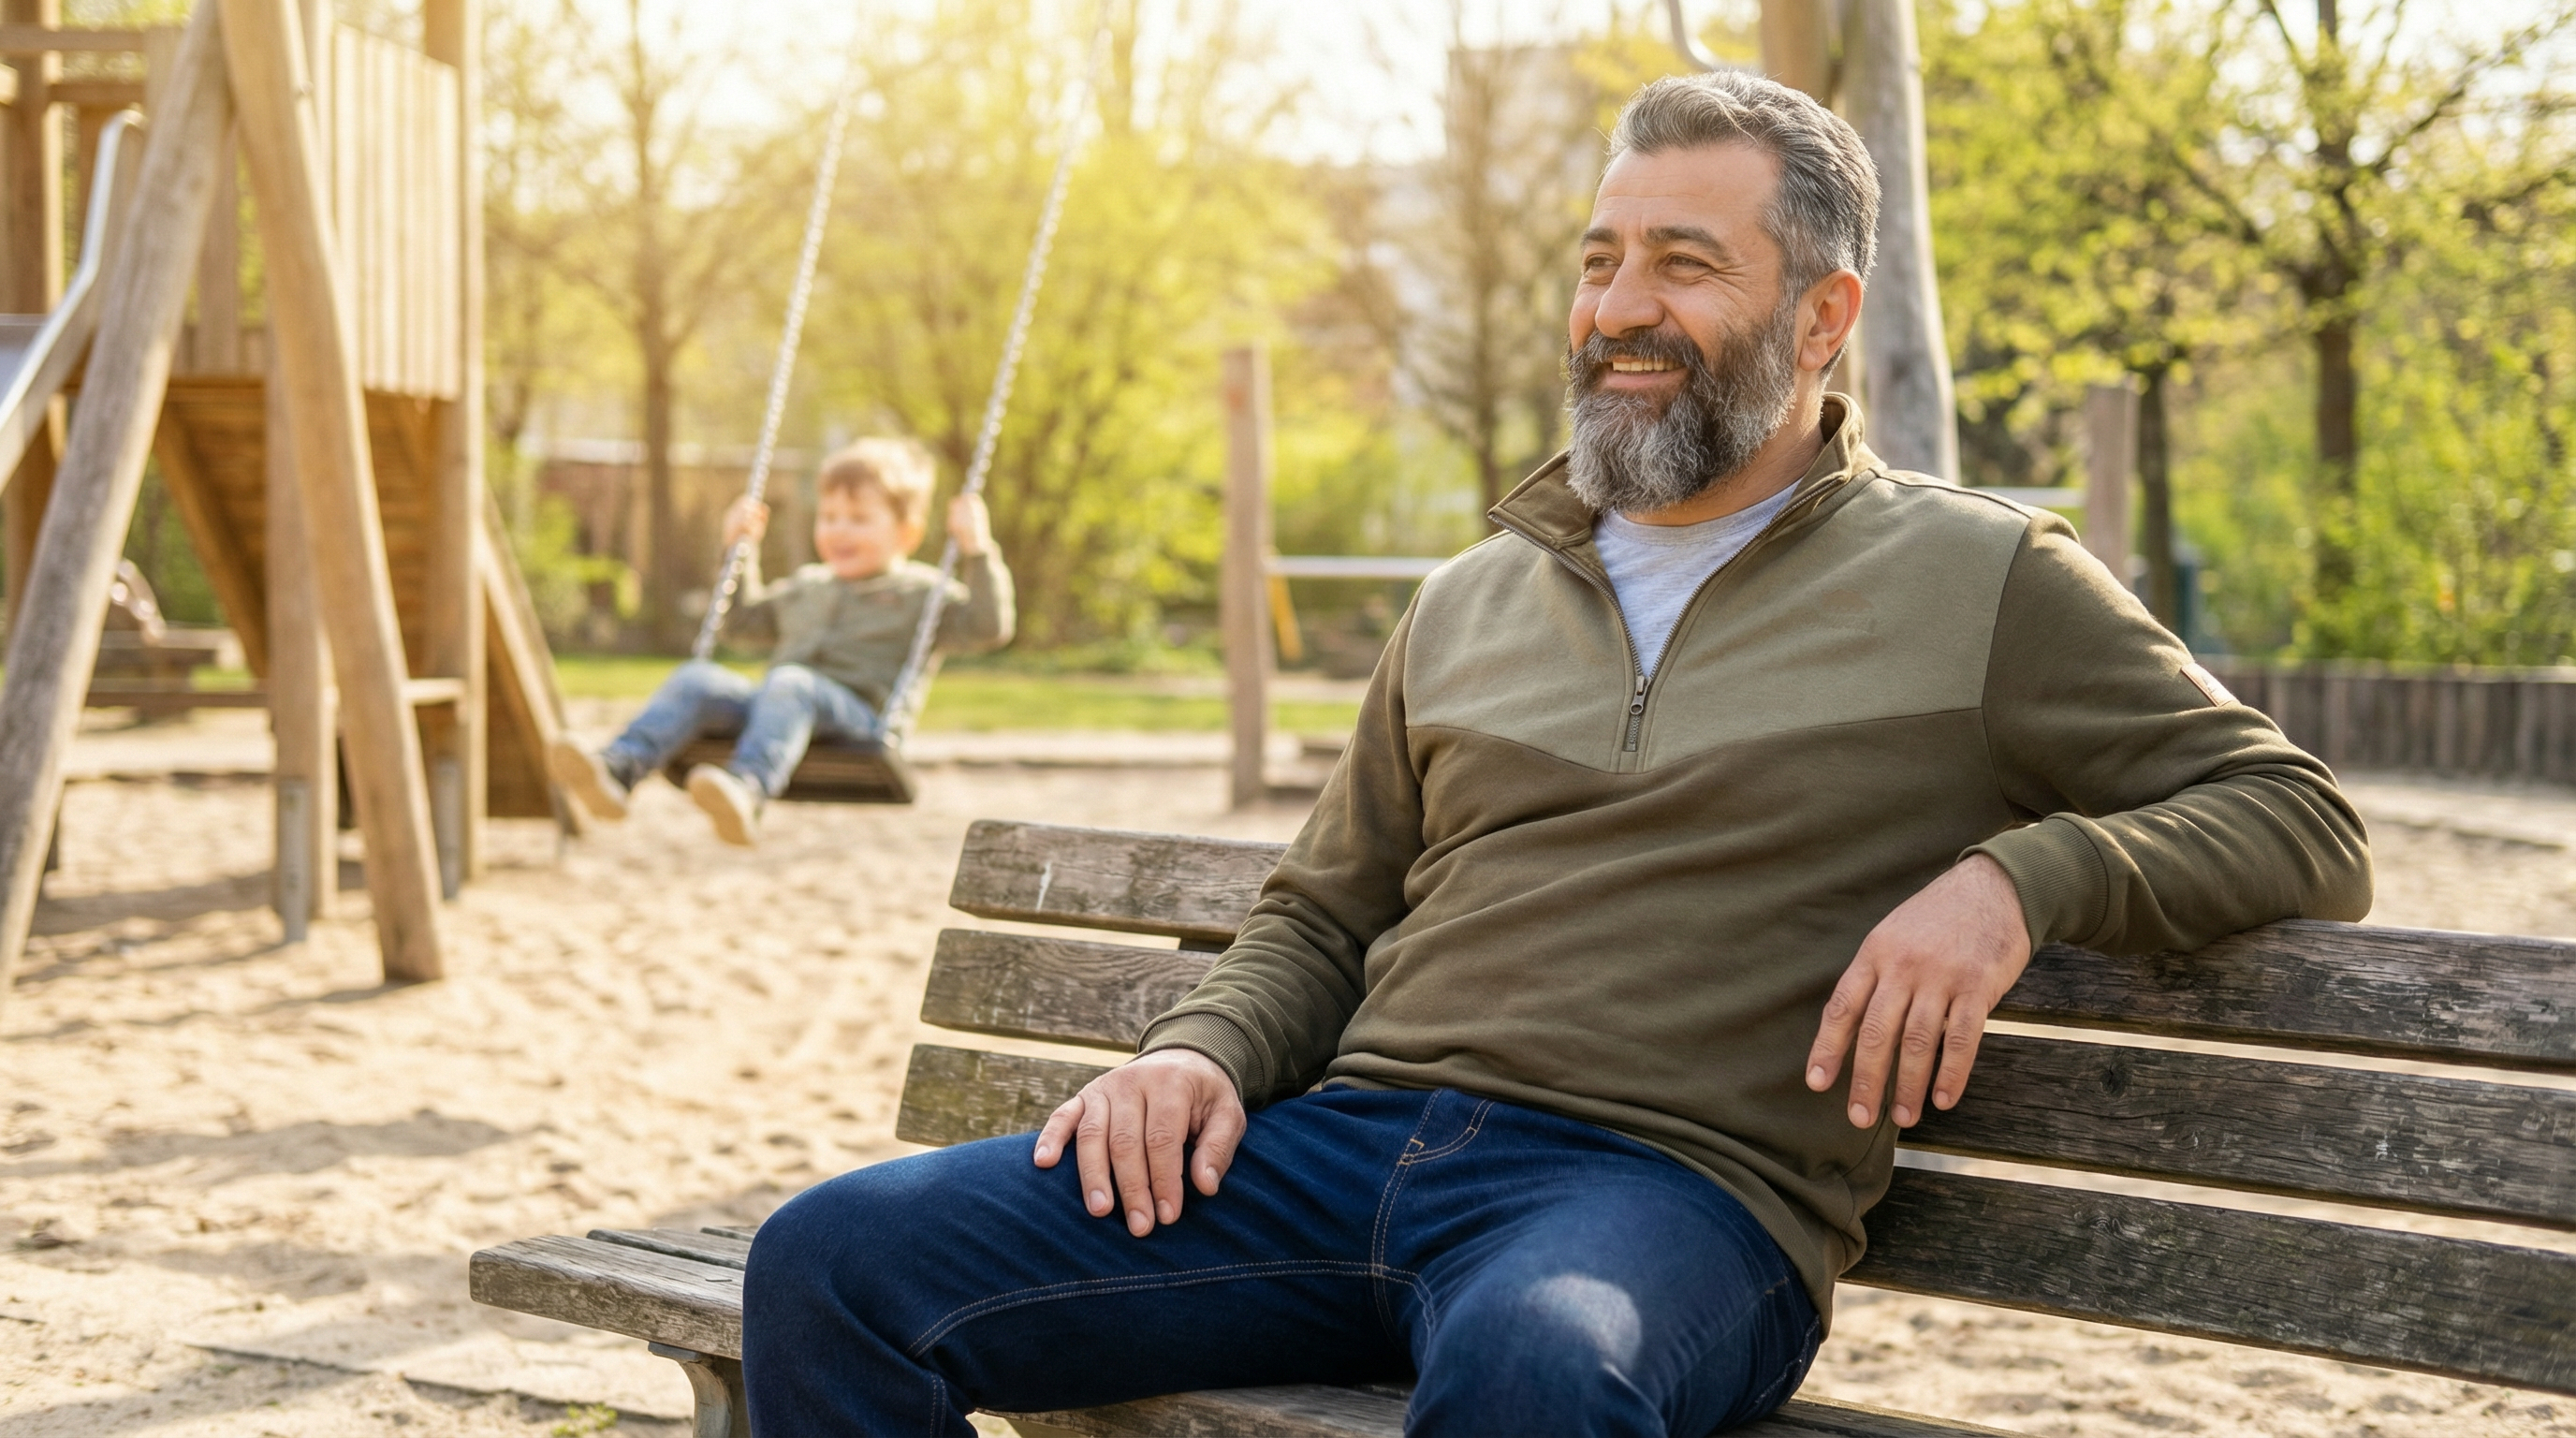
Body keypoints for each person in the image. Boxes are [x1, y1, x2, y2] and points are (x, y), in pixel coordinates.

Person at [739, 72, 2371, 1436]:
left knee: (1536, 1368)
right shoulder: (1471, 594)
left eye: (1682, 263)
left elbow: (2297, 816)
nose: (1618, 309)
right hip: (1338, 1154)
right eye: (1599, 262)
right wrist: (1202, 1055)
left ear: (1823, 315)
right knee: (831, 1264)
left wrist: (2020, 882)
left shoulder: (1984, 580)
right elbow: (1322, 911)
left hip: (1669, 1200)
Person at [548, 437, 1013, 846]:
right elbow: (740, 623)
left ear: (907, 533)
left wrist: (977, 549)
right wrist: (738, 551)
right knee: (697, 678)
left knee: (792, 682)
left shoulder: (921, 593)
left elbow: (989, 626)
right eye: (829, 517)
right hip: (779, 707)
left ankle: (747, 790)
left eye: (858, 519)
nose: (839, 530)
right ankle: (618, 769)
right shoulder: (807, 586)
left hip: (857, 721)